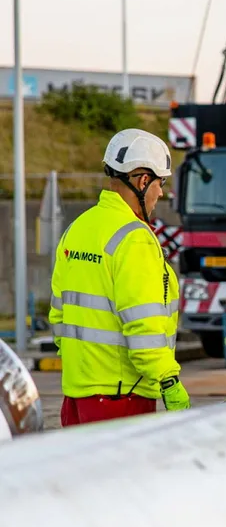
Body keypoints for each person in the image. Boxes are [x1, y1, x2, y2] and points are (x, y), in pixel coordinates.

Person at [49, 128, 190, 427]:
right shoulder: (134, 238)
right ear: (142, 181)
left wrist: (83, 366)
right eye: (160, 183)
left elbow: (58, 312)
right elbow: (144, 324)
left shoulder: (79, 228)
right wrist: (168, 380)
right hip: (121, 396)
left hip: (76, 395)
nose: (161, 193)